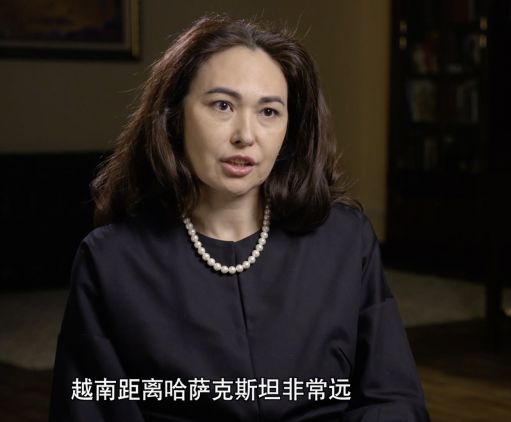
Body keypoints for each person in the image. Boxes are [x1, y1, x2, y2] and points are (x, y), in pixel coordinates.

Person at [49, 14, 429, 422]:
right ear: (174, 117)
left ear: (290, 128)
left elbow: (394, 399)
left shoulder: (345, 240)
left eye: (269, 112)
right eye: (223, 105)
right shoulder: (112, 259)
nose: (245, 135)